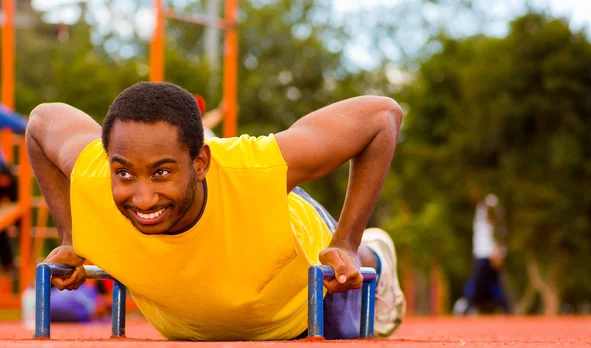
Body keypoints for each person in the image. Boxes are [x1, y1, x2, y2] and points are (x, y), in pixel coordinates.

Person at [26, 81, 406, 340]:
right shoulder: (94, 173)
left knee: (351, 286)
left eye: (162, 173)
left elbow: (382, 115)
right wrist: (74, 236)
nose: (142, 198)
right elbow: (42, 120)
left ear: (201, 163)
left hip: (298, 297)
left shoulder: (256, 167)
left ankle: (376, 254)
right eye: (124, 173)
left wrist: (348, 241)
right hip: (196, 318)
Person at [454, 189, 512, 315]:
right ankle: (508, 310)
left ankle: (465, 308)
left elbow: (496, 229)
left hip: (487, 254)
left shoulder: (490, 203)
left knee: (478, 283)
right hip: (483, 253)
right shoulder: (481, 207)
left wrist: (497, 252)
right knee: (492, 285)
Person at [0, 104, 27, 276]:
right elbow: (21, 125)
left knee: (3, 220)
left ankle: (9, 264)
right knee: (18, 214)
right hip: (2, 173)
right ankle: (20, 232)